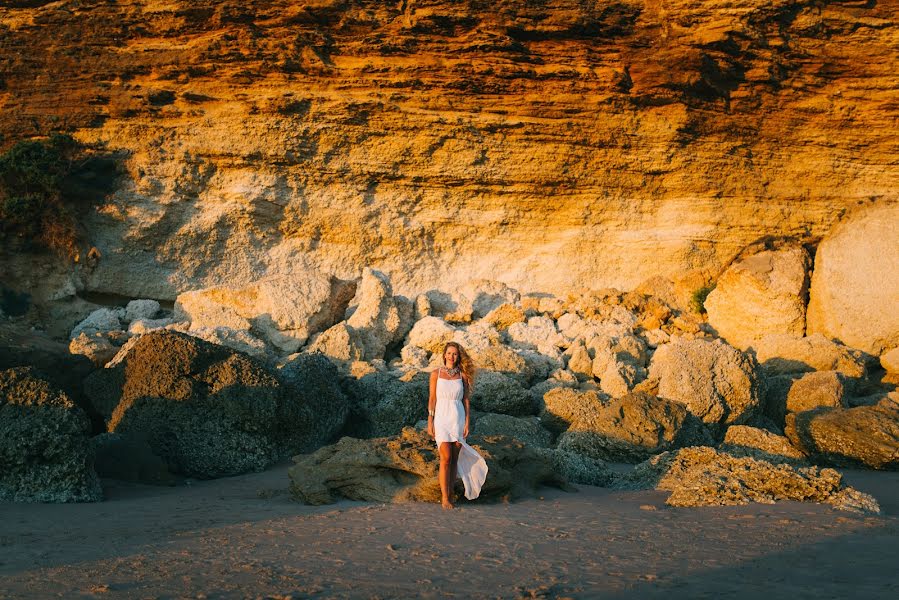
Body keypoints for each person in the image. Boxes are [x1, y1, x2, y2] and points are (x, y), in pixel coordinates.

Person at [427, 341, 488, 509]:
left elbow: (466, 400)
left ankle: (451, 493)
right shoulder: (435, 374)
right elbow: (432, 399)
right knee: (445, 457)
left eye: (455, 354)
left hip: (458, 417)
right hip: (441, 417)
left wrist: (467, 421)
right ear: (444, 355)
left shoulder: (463, 376)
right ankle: (445, 497)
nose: (451, 356)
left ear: (458, 356)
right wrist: (430, 421)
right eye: (449, 353)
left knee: (454, 459)